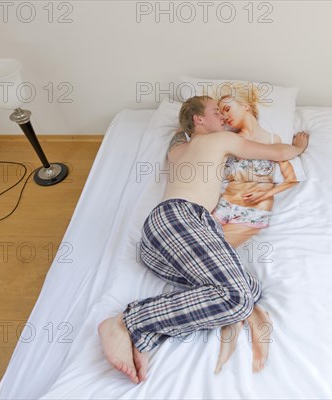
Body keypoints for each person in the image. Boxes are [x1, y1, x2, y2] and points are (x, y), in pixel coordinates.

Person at [98, 96, 309, 384]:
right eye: (215, 112)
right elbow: (273, 152)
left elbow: (175, 138)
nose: (223, 118)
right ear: (198, 119)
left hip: (161, 242)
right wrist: (297, 147)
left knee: (250, 290)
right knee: (237, 298)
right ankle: (128, 322)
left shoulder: (178, 150)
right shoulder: (220, 139)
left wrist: (181, 126)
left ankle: (145, 335)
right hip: (179, 219)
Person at [213, 82, 299, 248]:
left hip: (254, 209)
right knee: (192, 248)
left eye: (227, 109)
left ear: (245, 106)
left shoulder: (274, 140)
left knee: (216, 251)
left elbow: (291, 179)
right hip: (224, 204)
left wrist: (266, 194)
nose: (225, 116)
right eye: (221, 114)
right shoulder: (229, 139)